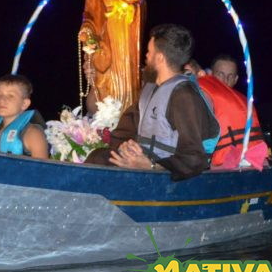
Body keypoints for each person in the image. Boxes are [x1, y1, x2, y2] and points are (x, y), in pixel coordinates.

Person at [85, 24, 220, 181]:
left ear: (160, 58)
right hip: (143, 165)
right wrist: (125, 147)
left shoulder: (184, 95)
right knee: (98, 157)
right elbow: (125, 131)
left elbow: (194, 158)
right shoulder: (149, 89)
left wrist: (150, 165)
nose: (146, 56)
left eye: (149, 51)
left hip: (166, 176)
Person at [78, 0, 149, 114]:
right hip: (103, 43)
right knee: (102, 81)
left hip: (123, 39)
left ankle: (126, 113)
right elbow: (89, 16)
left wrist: (127, 7)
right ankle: (105, 117)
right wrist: (87, 31)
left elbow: (138, 4)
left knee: (123, 76)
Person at [184, 59, 267, 170]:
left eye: (230, 76)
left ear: (236, 79)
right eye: (220, 74)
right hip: (259, 162)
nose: (225, 80)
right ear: (211, 75)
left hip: (228, 165)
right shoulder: (245, 100)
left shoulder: (201, 91)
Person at [0, 74, 49, 159]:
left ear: (24, 104)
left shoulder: (33, 134)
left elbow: (42, 166)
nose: (2, 100)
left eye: (10, 96)